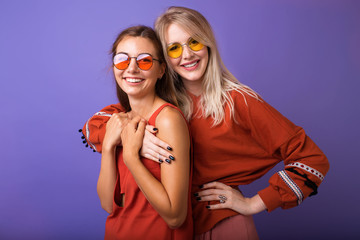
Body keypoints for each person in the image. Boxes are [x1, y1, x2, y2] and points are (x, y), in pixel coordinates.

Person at [80, 7, 329, 240]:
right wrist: (130, 136)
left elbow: (311, 159)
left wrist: (252, 203)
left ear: (208, 44)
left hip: (221, 224)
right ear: (164, 61)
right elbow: (99, 125)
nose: (187, 54)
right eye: (175, 48)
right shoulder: (160, 99)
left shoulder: (238, 100)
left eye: (194, 42)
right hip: (171, 228)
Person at [91, 25, 193, 239]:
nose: (132, 69)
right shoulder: (119, 120)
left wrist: (131, 157)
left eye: (145, 60)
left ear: (161, 70)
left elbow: (175, 216)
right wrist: (109, 145)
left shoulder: (167, 120)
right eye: (122, 59)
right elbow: (108, 205)